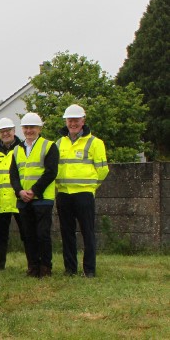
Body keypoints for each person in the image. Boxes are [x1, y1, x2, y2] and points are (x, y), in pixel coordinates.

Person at [55, 104, 109, 278]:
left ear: (83, 121)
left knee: (88, 232)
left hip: (84, 194)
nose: (73, 123)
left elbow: (103, 170)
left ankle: (89, 270)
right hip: (63, 194)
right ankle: (70, 269)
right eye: (70, 120)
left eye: (76, 120)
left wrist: (91, 187)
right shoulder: (59, 143)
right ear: (66, 121)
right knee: (67, 233)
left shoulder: (95, 143)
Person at [10, 113, 58, 277]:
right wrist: (20, 191)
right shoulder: (17, 149)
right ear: (22, 129)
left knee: (43, 234)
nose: (29, 130)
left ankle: (45, 267)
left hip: (42, 199)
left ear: (39, 128)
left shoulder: (49, 146)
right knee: (28, 235)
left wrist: (34, 190)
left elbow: (51, 172)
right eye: (26, 127)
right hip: (23, 199)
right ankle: (32, 267)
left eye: (32, 127)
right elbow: (14, 175)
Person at [0, 118, 23, 271]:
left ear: (14, 131)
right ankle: (0, 266)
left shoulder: (23, 148)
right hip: (1, 200)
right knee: (1, 236)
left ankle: (32, 264)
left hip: (19, 199)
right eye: (2, 132)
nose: (5, 133)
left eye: (8, 130)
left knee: (26, 234)